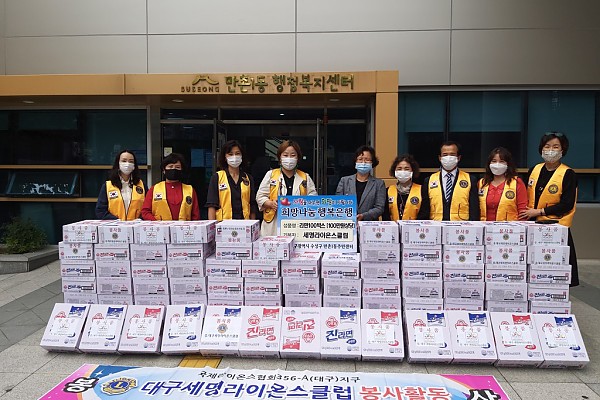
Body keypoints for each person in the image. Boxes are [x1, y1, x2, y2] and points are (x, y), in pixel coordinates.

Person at [519, 132, 579, 287]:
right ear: (541, 149)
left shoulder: (568, 174)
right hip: (532, 224)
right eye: (547, 146)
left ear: (563, 150)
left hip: (556, 226)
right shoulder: (534, 169)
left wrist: (540, 212)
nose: (551, 150)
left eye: (555, 147)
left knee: (555, 266)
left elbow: (567, 204)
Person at [256, 140, 317, 236]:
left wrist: (303, 204)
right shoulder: (271, 175)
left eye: (293, 155)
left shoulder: (305, 177)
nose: (289, 158)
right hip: (274, 223)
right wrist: (271, 203)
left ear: (298, 158)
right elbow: (260, 197)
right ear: (280, 158)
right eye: (285, 155)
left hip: (297, 222)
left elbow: (314, 199)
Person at [417, 141, 480, 221]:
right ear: (440, 158)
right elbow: (425, 210)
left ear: (458, 158)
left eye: (452, 154)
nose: (448, 157)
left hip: (461, 226)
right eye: (445, 155)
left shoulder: (470, 179)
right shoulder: (429, 180)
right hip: (436, 225)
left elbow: (474, 210)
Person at [205, 140, 258, 221]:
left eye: (237, 153)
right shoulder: (217, 177)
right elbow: (212, 205)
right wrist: (212, 225)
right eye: (230, 154)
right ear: (225, 157)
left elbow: (252, 204)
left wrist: (252, 223)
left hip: (244, 223)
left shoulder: (248, 178)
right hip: (223, 224)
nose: (234, 157)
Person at [141, 152, 200, 221]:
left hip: (184, 227)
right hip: (160, 227)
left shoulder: (190, 190)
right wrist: (157, 223)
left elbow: (195, 215)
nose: (174, 169)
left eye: (177, 167)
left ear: (181, 170)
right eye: (170, 166)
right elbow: (145, 212)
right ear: (164, 170)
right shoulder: (154, 189)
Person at [336, 145, 386, 221]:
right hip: (348, 222)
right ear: (355, 161)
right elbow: (338, 202)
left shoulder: (379, 184)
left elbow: (379, 208)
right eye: (360, 159)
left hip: (370, 224)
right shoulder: (344, 181)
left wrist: (363, 216)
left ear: (372, 162)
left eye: (367, 159)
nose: (363, 162)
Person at [478, 147, 527, 221]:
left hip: (509, 227)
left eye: (501, 161)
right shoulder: (481, 183)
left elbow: (523, 211)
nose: (497, 164)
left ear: (508, 164)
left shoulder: (517, 183)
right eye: (494, 161)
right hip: (484, 226)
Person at [95, 150, 146, 220]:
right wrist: (116, 221)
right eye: (124, 161)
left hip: (137, 225)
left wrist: (139, 220)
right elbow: (100, 211)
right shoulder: (108, 186)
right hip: (114, 225)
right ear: (118, 164)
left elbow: (148, 209)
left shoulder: (141, 185)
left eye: (131, 161)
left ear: (134, 165)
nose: (127, 164)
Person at [382, 154, 422, 221]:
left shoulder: (421, 190)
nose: (403, 171)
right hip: (393, 226)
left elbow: (423, 213)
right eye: (399, 169)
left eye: (407, 169)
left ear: (412, 171)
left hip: (415, 226)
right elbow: (385, 214)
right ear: (395, 171)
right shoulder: (388, 191)